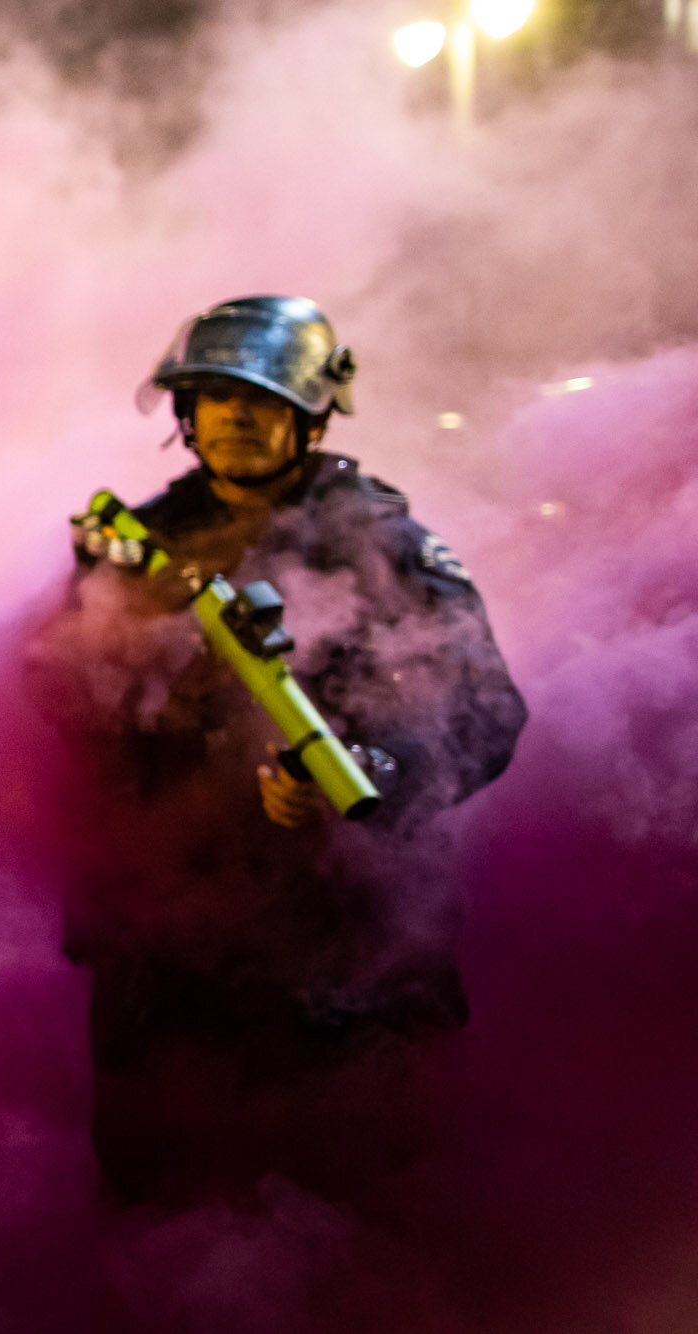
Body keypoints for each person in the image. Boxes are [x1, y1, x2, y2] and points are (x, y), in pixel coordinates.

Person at [42, 295, 528, 1205]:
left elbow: (484, 710)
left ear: (312, 414)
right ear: (184, 416)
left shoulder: (384, 549)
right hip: (165, 958)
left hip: (335, 956)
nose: (235, 415)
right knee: (163, 1212)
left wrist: (368, 769)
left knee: (343, 1213)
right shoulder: (134, 546)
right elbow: (60, 714)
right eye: (214, 395)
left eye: (262, 398)